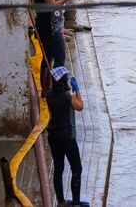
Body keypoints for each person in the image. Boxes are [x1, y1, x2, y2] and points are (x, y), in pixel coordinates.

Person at [46, 66, 89, 207]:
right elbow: (80, 106)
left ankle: (61, 202)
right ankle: (76, 203)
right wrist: (77, 90)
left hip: (53, 136)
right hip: (67, 137)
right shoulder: (68, 96)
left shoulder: (48, 96)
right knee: (77, 168)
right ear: (65, 81)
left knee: (59, 168)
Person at [33, 0, 76, 68]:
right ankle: (57, 84)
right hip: (51, 27)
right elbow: (52, 5)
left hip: (46, 25)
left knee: (47, 58)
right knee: (59, 59)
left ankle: (48, 83)